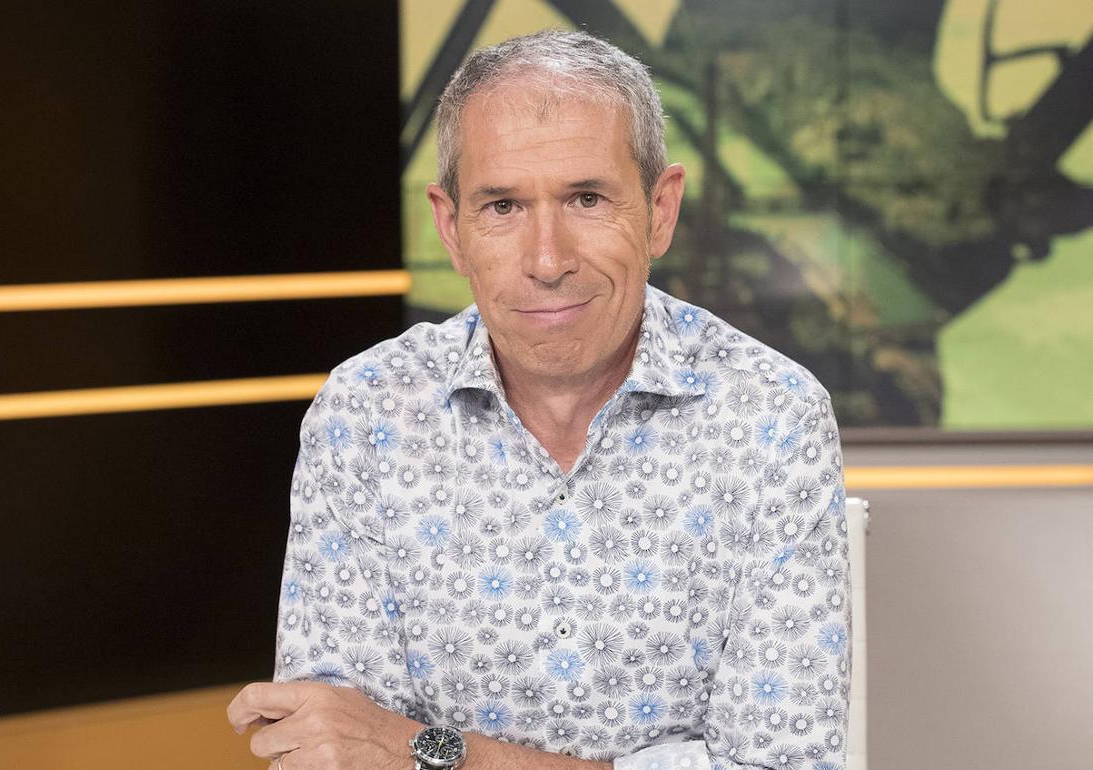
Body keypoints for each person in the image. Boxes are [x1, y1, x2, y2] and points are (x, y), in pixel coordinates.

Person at [229, 29, 850, 770]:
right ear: (451, 227)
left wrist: (431, 753)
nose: (548, 260)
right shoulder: (364, 415)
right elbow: (335, 752)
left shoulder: (773, 418)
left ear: (659, 210)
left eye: (586, 198)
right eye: (502, 206)